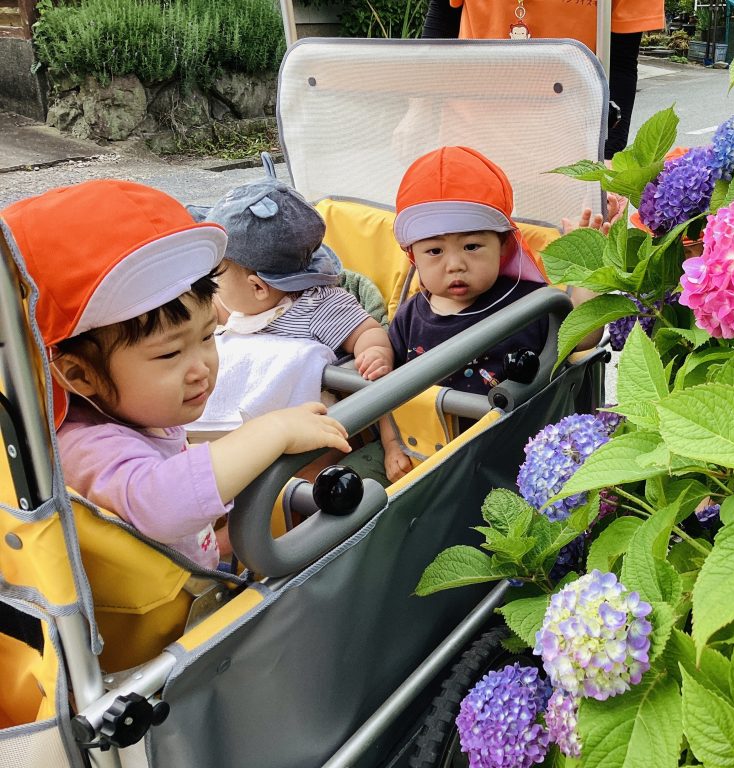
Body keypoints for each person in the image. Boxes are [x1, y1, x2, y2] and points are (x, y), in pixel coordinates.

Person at [2, 180, 351, 570]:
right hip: (185, 620)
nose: (201, 368)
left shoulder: (135, 413)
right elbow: (159, 506)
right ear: (79, 375)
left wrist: (223, 542)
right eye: (169, 353)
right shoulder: (88, 446)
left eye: (207, 335)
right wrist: (271, 431)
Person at [381, 146, 601, 482]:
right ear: (413, 257)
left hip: (512, 458)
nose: (455, 263)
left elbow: (584, 336)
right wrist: (393, 445)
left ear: (505, 246)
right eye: (435, 251)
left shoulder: (530, 303)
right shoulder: (410, 315)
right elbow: (386, 388)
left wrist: (587, 271)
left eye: (471, 246)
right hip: (430, 459)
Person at [420, 0, 665, 159]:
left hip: (567, 150)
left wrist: (610, 155)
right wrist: (417, 111)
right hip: (467, 138)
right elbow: (443, 22)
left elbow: (620, 65)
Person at [202, 179, 393, 381]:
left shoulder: (318, 306)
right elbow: (208, 311)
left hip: (307, 403)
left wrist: (375, 352)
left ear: (258, 287)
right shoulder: (239, 303)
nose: (212, 285)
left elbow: (366, 331)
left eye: (216, 275)